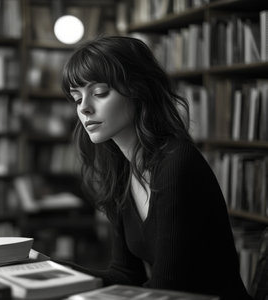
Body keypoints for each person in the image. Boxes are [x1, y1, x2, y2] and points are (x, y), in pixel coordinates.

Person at [59, 35, 252, 300]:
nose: (85, 109)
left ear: (139, 90)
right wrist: (52, 267)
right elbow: (126, 274)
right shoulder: (120, 170)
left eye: (99, 93)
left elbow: (166, 288)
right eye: (77, 98)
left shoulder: (177, 163)